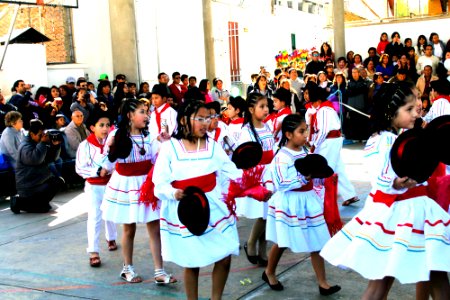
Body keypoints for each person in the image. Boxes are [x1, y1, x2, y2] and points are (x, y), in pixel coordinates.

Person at [320, 83, 450, 300]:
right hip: (402, 212)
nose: (415, 112)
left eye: (414, 107)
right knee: (393, 277)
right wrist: (397, 182)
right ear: (391, 112)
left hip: (414, 209)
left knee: (428, 271)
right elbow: (380, 176)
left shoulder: (396, 136)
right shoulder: (385, 140)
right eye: (408, 109)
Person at [152, 100, 242, 300]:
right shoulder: (171, 148)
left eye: (208, 118)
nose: (205, 123)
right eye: (199, 118)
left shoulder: (212, 145)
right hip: (187, 209)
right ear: (184, 120)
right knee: (192, 262)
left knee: (226, 253)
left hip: (213, 206)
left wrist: (253, 182)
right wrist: (173, 193)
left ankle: (215, 298)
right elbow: (159, 182)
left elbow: (230, 170)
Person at [264, 114, 341, 295]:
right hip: (290, 202)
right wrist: (303, 178)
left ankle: (323, 283)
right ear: (289, 134)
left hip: (308, 200)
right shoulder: (282, 156)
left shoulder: (306, 152)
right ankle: (269, 272)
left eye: (306, 129)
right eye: (301, 131)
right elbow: (281, 183)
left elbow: (314, 175)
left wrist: (323, 180)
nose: (306, 134)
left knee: (317, 240)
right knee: (283, 241)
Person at [101, 99, 175, 284]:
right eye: (142, 112)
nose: (147, 115)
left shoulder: (150, 136)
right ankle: (127, 268)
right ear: (129, 115)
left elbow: (159, 159)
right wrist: (111, 152)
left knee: (154, 228)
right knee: (129, 229)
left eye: (147, 112)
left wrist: (165, 143)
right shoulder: (116, 136)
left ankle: (159, 271)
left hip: (146, 184)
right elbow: (106, 164)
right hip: (125, 185)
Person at [75, 110, 118, 267]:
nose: (105, 128)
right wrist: (97, 171)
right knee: (94, 217)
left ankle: (111, 237)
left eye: (108, 125)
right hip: (94, 186)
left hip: (111, 184)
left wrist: (111, 168)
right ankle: (93, 251)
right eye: (101, 125)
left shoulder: (112, 144)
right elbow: (80, 168)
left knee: (111, 212)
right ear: (92, 127)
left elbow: (117, 162)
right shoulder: (84, 146)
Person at [236, 93, 274, 267]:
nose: (266, 109)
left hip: (270, 173)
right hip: (258, 175)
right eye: (262, 106)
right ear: (251, 109)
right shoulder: (246, 131)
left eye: (267, 106)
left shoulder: (267, 127)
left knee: (269, 213)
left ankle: (262, 249)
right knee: (263, 214)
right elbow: (243, 158)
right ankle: (251, 242)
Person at [307, 82, 359, 206]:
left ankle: (324, 197)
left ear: (318, 101)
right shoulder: (326, 108)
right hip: (333, 141)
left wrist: (314, 144)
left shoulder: (324, 110)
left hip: (329, 142)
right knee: (338, 168)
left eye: (313, 102)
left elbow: (324, 130)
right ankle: (350, 194)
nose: (313, 105)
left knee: (325, 168)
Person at [11, 119, 64, 214]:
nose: (42, 138)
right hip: (28, 187)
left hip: (39, 182)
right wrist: (43, 143)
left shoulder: (39, 144)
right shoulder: (25, 147)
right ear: (32, 134)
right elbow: (36, 160)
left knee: (58, 181)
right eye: (40, 135)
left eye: (43, 135)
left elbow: (52, 159)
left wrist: (55, 146)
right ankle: (19, 203)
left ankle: (40, 203)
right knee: (43, 209)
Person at [148, 84, 177, 154]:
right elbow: (151, 129)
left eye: (156, 98)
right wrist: (155, 138)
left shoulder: (169, 112)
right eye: (152, 98)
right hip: (155, 144)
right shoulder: (153, 113)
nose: (154, 101)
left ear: (164, 99)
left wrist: (159, 138)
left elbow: (167, 131)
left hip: (166, 146)